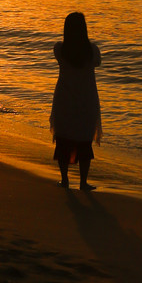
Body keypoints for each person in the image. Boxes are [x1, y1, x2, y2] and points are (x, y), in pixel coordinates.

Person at [50, 11, 102, 191]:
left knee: (64, 140)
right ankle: (83, 182)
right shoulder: (92, 52)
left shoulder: (60, 50)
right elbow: (98, 62)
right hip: (86, 100)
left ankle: (64, 180)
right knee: (84, 142)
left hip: (64, 100)